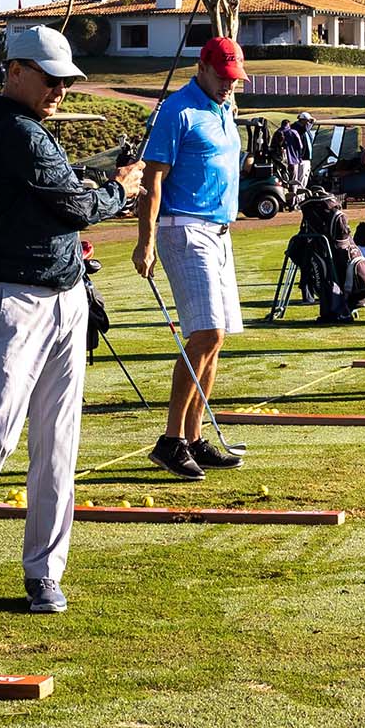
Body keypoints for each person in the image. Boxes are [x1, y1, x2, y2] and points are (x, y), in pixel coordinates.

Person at [0, 26, 145, 613]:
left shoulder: (27, 131)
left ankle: (44, 571)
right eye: (51, 78)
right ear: (15, 72)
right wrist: (119, 189)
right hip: (14, 300)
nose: (60, 90)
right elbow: (73, 206)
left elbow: (62, 203)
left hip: (64, 295)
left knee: (58, 442)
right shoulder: (15, 132)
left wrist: (103, 189)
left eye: (66, 81)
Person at [135, 37, 248, 480]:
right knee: (205, 332)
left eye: (234, 80)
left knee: (217, 339)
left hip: (219, 233)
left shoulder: (224, 108)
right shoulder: (176, 111)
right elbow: (153, 179)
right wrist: (144, 242)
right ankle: (170, 441)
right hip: (184, 229)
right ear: (201, 68)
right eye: (222, 78)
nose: (227, 86)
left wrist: (229, 101)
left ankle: (196, 439)